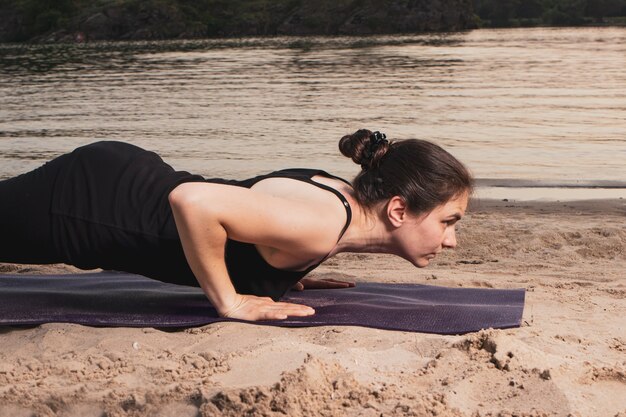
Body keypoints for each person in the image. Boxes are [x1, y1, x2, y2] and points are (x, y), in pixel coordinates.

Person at [0, 129, 473, 321]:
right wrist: (230, 301)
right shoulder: (320, 223)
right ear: (397, 210)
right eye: (448, 222)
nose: (451, 241)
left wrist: (286, 270)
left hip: (117, 180)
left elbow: (260, 210)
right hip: (89, 207)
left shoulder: (337, 203)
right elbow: (193, 202)